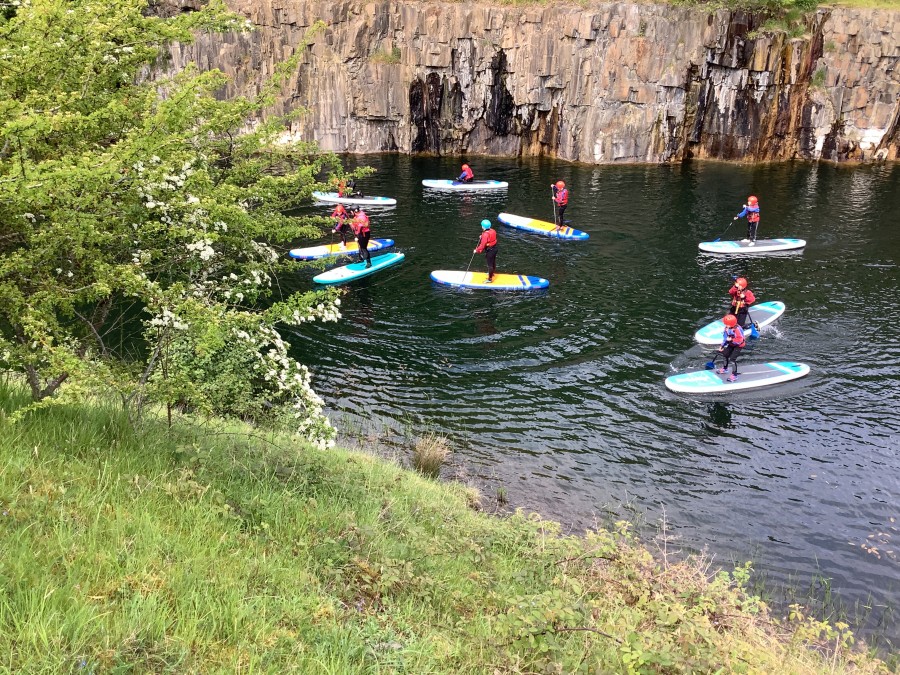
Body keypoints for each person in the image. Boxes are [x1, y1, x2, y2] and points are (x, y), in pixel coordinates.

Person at [716, 314, 745, 382]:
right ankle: (725, 369)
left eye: (727, 324)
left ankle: (734, 375)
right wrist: (722, 346)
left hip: (738, 346)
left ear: (731, 324)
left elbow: (740, 340)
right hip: (731, 344)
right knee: (725, 355)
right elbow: (725, 338)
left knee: (732, 359)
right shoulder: (726, 328)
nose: (725, 325)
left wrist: (731, 340)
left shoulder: (737, 329)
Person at [474, 218, 498, 283]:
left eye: (482, 225)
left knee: (490, 265)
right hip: (495, 249)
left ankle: (489, 279)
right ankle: (492, 273)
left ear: (483, 227)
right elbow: (490, 237)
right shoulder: (493, 230)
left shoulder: (485, 234)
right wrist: (482, 236)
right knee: (493, 262)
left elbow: (482, 245)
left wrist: (476, 250)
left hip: (490, 250)